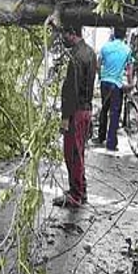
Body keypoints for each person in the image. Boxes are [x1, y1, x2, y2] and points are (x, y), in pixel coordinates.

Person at [53, 23, 96, 208]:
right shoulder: (90, 52)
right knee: (79, 152)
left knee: (72, 153)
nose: (63, 39)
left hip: (76, 111)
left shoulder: (76, 57)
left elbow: (71, 91)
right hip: (86, 109)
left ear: (72, 33)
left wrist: (65, 118)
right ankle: (81, 189)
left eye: (64, 34)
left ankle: (76, 195)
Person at [95, 26, 133, 152]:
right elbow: (129, 69)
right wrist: (131, 83)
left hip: (104, 82)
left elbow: (98, 63)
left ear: (114, 34)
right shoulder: (127, 50)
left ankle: (101, 137)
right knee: (115, 113)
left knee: (104, 109)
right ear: (124, 36)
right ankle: (111, 143)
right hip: (116, 84)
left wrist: (101, 75)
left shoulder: (105, 47)